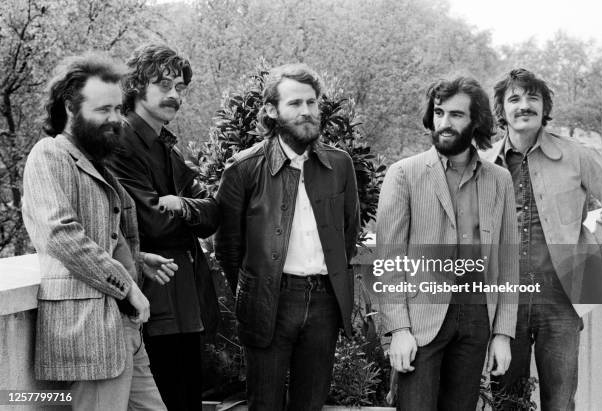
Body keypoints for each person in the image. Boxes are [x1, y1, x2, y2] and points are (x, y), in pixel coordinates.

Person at [22, 54, 177, 410]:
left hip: (124, 330)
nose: (115, 119)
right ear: (69, 107)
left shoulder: (96, 162)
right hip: (90, 332)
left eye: (118, 108)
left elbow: (99, 234)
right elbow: (60, 234)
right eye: (102, 109)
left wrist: (136, 259)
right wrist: (126, 285)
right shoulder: (49, 155)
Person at [215, 63, 360, 410]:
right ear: (271, 110)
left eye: (312, 102)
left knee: (310, 404)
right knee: (264, 404)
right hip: (269, 302)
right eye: (295, 103)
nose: (306, 111)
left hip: (324, 301)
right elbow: (228, 248)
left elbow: (348, 233)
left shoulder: (340, 165)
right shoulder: (244, 168)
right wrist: (257, 291)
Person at [376, 77, 519, 410]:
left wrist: (502, 333)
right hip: (421, 317)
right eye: (439, 112)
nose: (444, 123)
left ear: (475, 121)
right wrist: (399, 328)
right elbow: (389, 261)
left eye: (456, 115)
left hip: (476, 317)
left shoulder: (499, 180)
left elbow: (508, 262)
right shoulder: (403, 174)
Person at [483, 68, 602, 410]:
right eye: (514, 99)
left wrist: (593, 246)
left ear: (544, 107)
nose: (524, 105)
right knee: (506, 401)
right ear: (502, 111)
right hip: (504, 304)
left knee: (559, 402)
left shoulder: (577, 155)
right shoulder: (484, 164)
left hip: (562, 299)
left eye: (532, 98)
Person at [106, 44, 219, 411]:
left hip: (186, 300)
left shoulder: (168, 148)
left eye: (181, 87)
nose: (175, 95)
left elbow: (213, 214)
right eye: (164, 85)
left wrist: (182, 205)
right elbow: (151, 222)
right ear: (137, 86)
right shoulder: (121, 142)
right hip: (150, 302)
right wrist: (185, 212)